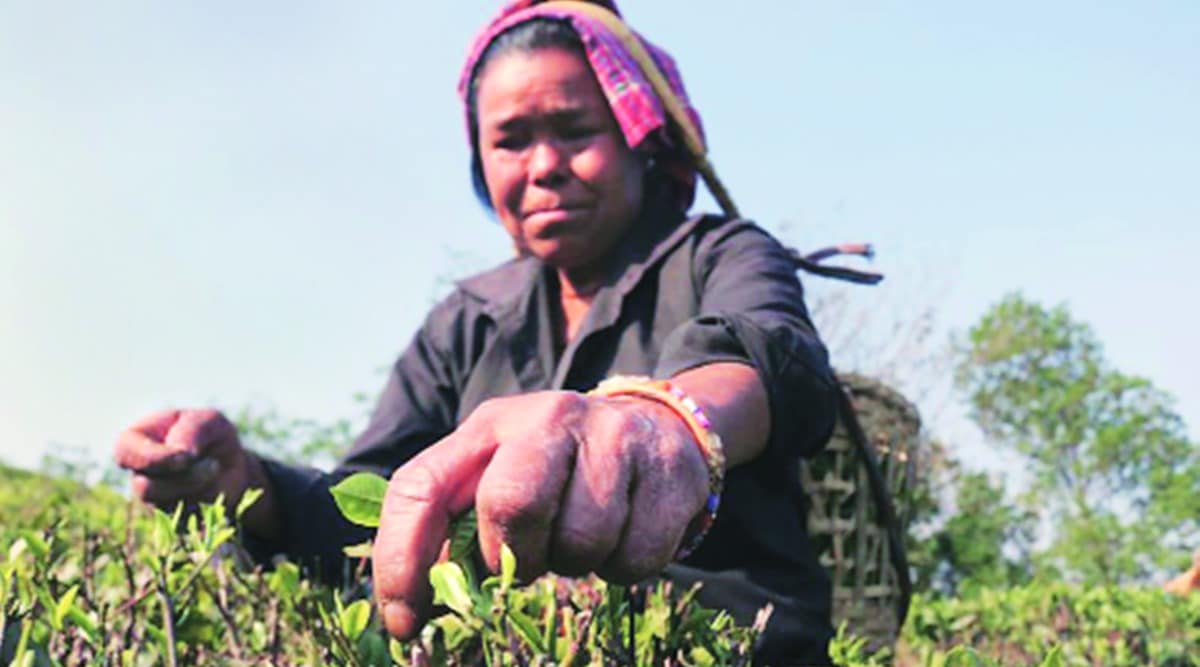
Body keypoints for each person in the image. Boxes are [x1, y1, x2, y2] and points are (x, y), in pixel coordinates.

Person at [113, 1, 841, 662]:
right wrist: (244, 483)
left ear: (636, 139)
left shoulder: (721, 253)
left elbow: (772, 361)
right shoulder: (468, 317)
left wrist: (664, 420)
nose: (545, 166)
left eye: (576, 131)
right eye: (512, 141)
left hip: (724, 638)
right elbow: (374, 502)